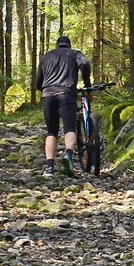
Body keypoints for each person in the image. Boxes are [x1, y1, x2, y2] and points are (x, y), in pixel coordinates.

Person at [35, 34, 92, 175]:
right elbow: (84, 64)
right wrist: (87, 84)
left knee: (52, 131)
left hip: (48, 95)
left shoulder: (46, 57)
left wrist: (46, 88)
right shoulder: (75, 54)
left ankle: (49, 167)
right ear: (69, 45)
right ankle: (68, 155)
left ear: (57, 45)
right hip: (66, 94)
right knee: (69, 128)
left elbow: (37, 83)